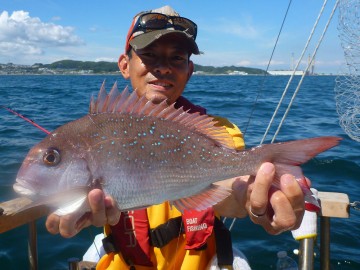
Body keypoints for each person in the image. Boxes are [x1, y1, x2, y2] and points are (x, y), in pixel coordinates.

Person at [45, 5, 306, 269]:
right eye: (149, 55)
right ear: (125, 65)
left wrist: (252, 200)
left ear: (189, 70)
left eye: (176, 58)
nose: (163, 68)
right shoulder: (95, 132)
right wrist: (64, 201)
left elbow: (231, 191)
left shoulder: (219, 131)